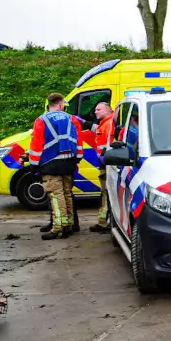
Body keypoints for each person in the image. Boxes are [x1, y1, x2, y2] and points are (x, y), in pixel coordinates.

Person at [28, 93, 84, 240]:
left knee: (55, 195)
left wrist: (34, 164)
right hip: (69, 161)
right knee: (67, 193)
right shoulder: (72, 119)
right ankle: (69, 224)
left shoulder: (41, 120)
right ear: (60, 104)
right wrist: (77, 158)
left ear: (50, 104)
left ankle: (59, 228)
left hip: (50, 163)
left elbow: (37, 144)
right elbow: (79, 140)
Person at [89, 102, 116, 232]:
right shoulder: (105, 123)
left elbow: (110, 143)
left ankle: (104, 223)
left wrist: (105, 157)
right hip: (105, 163)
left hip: (108, 164)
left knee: (106, 193)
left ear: (108, 110)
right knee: (105, 194)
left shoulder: (109, 123)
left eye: (98, 109)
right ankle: (104, 221)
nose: (95, 112)